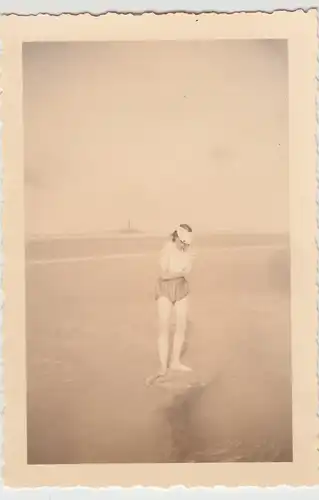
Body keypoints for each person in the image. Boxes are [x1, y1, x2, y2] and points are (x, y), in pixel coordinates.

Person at [154, 223, 194, 376]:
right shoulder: (167, 249)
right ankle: (163, 366)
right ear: (176, 237)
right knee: (164, 326)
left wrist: (178, 273)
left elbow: (187, 271)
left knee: (181, 325)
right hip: (165, 288)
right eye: (182, 241)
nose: (183, 245)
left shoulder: (188, 251)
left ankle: (175, 362)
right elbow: (164, 275)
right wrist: (180, 273)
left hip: (181, 288)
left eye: (186, 242)